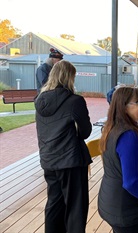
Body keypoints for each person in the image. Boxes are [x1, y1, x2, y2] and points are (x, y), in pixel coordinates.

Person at [34, 60, 92, 233]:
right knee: (76, 207)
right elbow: (85, 132)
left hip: (49, 159)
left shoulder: (39, 101)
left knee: (54, 204)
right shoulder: (75, 101)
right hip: (71, 161)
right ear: (69, 77)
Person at [98, 87, 138, 233]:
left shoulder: (112, 128)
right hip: (124, 209)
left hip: (110, 201)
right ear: (124, 107)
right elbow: (131, 182)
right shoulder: (128, 136)